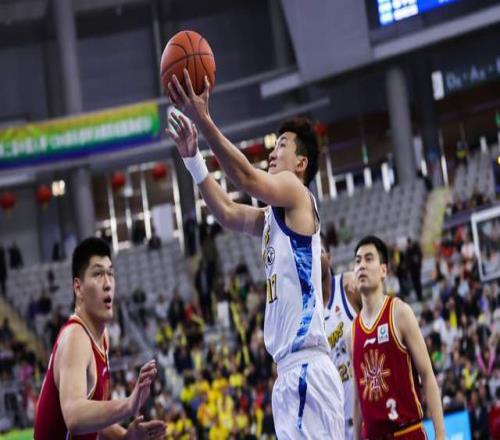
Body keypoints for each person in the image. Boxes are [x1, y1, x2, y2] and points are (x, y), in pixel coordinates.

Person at [166, 70, 344, 437]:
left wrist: (203, 119)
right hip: (291, 373)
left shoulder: (296, 192)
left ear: (301, 164)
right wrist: (193, 159)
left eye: (282, 145)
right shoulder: (271, 217)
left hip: (306, 368)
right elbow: (228, 213)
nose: (272, 152)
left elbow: (246, 178)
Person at [34, 237, 165, 440]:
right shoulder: (75, 336)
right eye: (97, 274)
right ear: (78, 288)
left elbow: (94, 412)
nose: (107, 284)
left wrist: (125, 436)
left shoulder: (102, 337)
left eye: (110, 273)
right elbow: (75, 416)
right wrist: (129, 404)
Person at [347, 235, 444, 440]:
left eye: (369, 259)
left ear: (383, 270)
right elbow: (357, 396)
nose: (361, 265)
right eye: (357, 261)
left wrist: (441, 435)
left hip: (407, 432)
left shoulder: (400, 313)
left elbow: (427, 375)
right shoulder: (351, 333)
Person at [321, 239, 362, 440]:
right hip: (336, 422)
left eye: (319, 250)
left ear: (329, 257)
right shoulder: (306, 312)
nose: (315, 256)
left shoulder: (348, 287)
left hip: (366, 407)